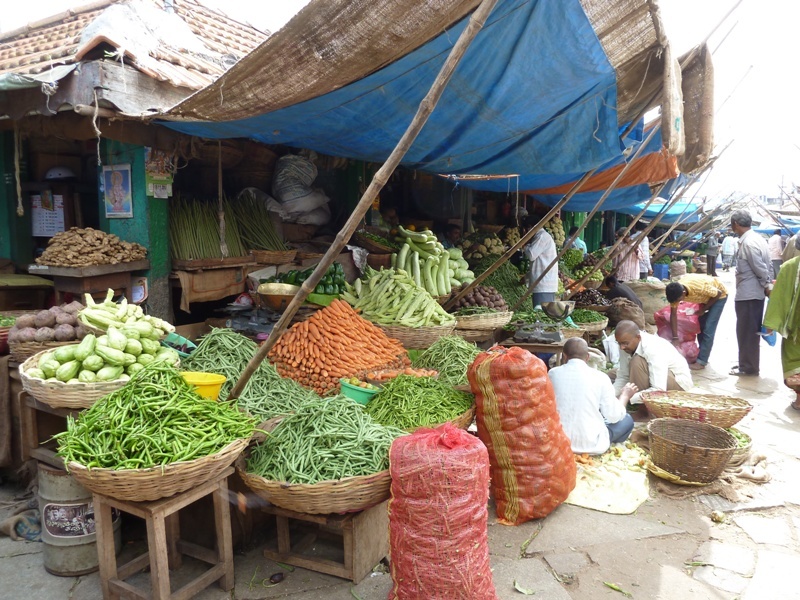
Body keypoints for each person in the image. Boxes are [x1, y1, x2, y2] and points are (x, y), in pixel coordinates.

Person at [549, 338, 637, 454]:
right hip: (591, 444)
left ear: (564, 356)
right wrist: (625, 395)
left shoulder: (552, 374)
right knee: (627, 420)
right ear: (587, 357)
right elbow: (614, 416)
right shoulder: (600, 377)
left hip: (557, 442)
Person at [730, 209, 772, 377]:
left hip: (749, 294)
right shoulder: (756, 239)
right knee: (748, 331)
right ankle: (747, 363)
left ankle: (748, 367)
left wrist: (766, 284)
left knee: (746, 332)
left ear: (736, 225)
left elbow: (760, 268)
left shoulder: (749, 242)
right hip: (752, 293)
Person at [613, 320, 693, 406]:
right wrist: (609, 396)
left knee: (636, 363)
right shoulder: (625, 344)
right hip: (658, 380)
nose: (621, 347)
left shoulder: (652, 348)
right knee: (612, 374)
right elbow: (623, 376)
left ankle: (645, 410)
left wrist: (626, 398)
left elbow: (658, 389)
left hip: (679, 383)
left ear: (638, 337)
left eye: (625, 343)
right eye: (619, 343)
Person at [763, 236, 800, 410]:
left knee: (794, 362)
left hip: (795, 329)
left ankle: (799, 400)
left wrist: (771, 323)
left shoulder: (788, 267)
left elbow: (779, 298)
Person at [665, 274, 728, 371]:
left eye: (679, 300)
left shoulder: (699, 288)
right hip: (706, 297)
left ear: (683, 293)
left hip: (719, 296)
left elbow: (718, 293)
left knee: (708, 328)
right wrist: (675, 337)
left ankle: (702, 361)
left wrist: (704, 309)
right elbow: (673, 314)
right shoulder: (675, 293)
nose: (678, 302)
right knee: (700, 326)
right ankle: (701, 354)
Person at [523, 228, 558, 307]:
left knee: (541, 313)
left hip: (543, 284)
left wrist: (525, 245)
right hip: (544, 283)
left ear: (529, 227)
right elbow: (540, 262)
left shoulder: (542, 236)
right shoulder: (541, 236)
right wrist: (527, 277)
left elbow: (531, 255)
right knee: (544, 313)